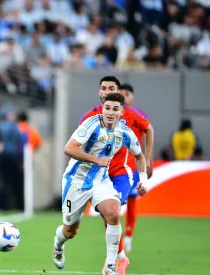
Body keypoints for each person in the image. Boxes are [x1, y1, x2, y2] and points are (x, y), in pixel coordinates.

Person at [52, 93, 148, 275]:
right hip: (76, 181)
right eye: (107, 108)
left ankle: (111, 266)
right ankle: (58, 246)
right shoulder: (92, 124)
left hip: (100, 181)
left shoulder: (125, 132)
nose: (110, 112)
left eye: (115, 109)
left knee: (113, 213)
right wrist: (96, 159)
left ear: (122, 111)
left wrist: (142, 180)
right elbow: (69, 148)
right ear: (102, 108)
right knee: (70, 231)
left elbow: (139, 155)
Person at [79, 77, 154, 275]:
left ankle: (115, 259)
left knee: (116, 210)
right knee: (108, 215)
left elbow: (148, 129)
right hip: (98, 174)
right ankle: (119, 256)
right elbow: (78, 143)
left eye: (111, 89)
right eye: (103, 88)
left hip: (124, 171)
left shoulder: (130, 115)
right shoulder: (91, 116)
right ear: (99, 92)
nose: (106, 92)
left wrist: (147, 160)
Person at [118, 83, 149, 254]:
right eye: (120, 93)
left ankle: (128, 237)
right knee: (113, 206)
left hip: (132, 167)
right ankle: (118, 243)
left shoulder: (138, 116)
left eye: (127, 93)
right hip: (115, 167)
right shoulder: (110, 113)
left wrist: (147, 160)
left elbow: (147, 132)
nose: (124, 96)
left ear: (132, 97)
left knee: (131, 202)